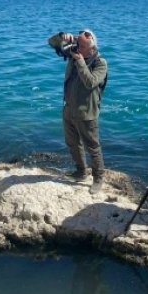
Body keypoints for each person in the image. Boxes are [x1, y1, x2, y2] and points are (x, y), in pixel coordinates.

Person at [48, 29, 108, 194]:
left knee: (93, 147)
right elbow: (51, 42)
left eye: (81, 46)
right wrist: (62, 37)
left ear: (91, 48)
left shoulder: (100, 62)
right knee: (72, 142)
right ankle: (81, 171)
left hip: (86, 112)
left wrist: (80, 62)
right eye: (77, 44)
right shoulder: (74, 51)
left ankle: (98, 178)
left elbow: (91, 82)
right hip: (69, 107)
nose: (76, 48)